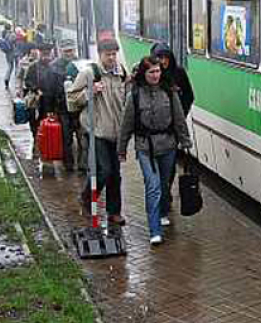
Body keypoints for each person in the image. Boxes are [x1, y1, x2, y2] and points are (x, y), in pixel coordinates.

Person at [118, 56, 192, 246]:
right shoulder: (134, 95)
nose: (155, 75)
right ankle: (154, 230)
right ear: (144, 74)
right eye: (151, 72)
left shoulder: (169, 92)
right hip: (145, 148)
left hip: (168, 146)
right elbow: (126, 125)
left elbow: (178, 118)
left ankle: (162, 212)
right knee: (153, 186)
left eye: (158, 71)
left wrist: (185, 141)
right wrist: (122, 149)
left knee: (164, 184)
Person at [68, 39, 128, 226]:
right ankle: (86, 198)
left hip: (115, 132)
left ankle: (114, 212)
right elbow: (71, 100)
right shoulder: (89, 73)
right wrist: (90, 93)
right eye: (107, 54)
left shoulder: (121, 73)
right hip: (96, 131)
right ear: (100, 54)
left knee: (115, 175)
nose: (111, 58)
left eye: (114, 54)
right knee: (103, 171)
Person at [150, 42, 194, 212]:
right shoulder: (149, 74)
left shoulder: (178, 73)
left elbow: (189, 95)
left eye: (165, 57)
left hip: (171, 131)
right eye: (159, 57)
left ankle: (165, 196)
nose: (162, 61)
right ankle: (158, 198)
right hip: (151, 133)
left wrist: (180, 115)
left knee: (169, 167)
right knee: (154, 170)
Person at [50, 37, 80, 171]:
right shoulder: (54, 67)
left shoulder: (80, 64)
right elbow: (50, 90)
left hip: (79, 106)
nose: (69, 54)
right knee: (66, 138)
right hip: (62, 107)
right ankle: (69, 164)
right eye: (66, 51)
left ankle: (83, 166)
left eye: (71, 51)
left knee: (82, 138)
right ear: (61, 51)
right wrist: (51, 109)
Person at [22, 44, 56, 140]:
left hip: (51, 100)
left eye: (48, 54)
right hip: (38, 101)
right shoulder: (34, 67)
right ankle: (37, 140)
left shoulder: (54, 66)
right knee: (36, 123)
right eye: (44, 54)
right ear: (40, 54)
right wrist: (36, 89)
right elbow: (27, 81)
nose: (46, 57)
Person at [0, 22, 16, 88]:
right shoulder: (11, 34)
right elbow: (14, 41)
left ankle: (7, 79)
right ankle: (7, 79)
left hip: (7, 53)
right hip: (12, 52)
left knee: (10, 66)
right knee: (12, 67)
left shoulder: (4, 33)